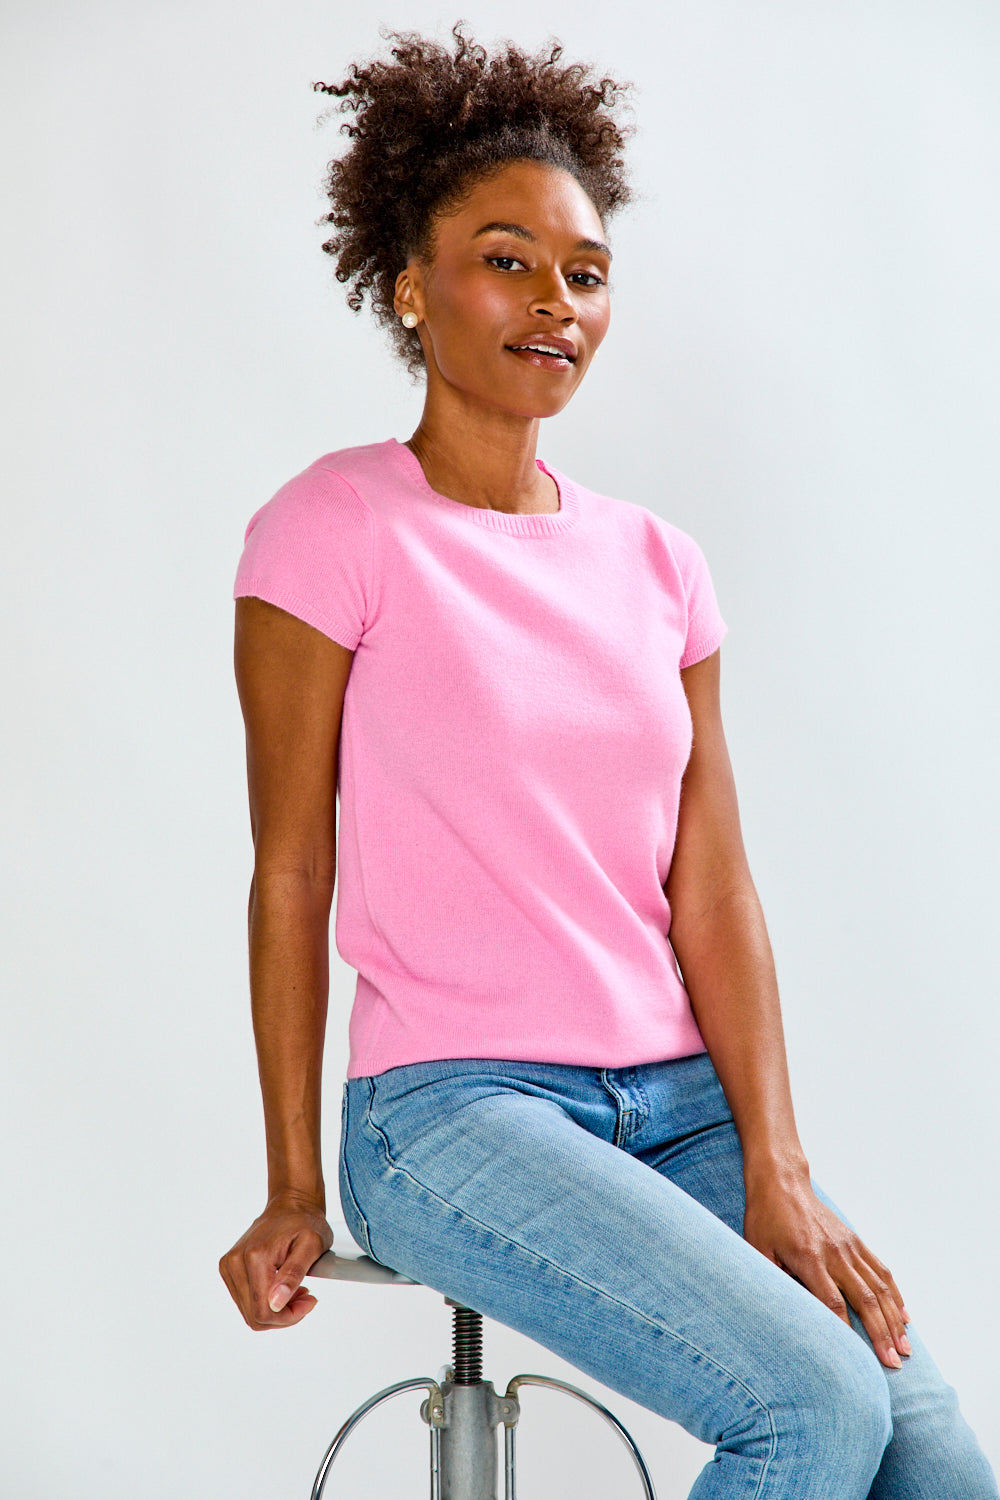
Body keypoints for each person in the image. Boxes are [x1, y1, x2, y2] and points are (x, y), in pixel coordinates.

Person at [219, 24, 997, 1497]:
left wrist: (776, 1166)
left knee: (930, 1455)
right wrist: (290, 1184)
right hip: (456, 1108)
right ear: (408, 284)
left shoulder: (658, 563)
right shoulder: (331, 531)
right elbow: (290, 867)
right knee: (812, 1412)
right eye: (506, 259)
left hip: (681, 1099)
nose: (555, 301)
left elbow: (714, 892)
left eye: (584, 272)